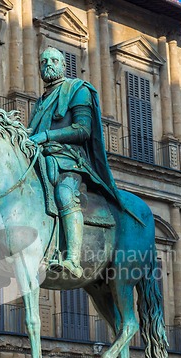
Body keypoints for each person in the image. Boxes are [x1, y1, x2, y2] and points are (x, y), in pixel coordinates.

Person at [29, 47, 126, 278]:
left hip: (70, 160)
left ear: (64, 65)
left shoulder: (77, 90)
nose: (48, 64)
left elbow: (83, 129)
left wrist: (46, 136)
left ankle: (73, 259)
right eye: (43, 61)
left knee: (64, 193)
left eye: (53, 60)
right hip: (42, 158)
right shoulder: (41, 101)